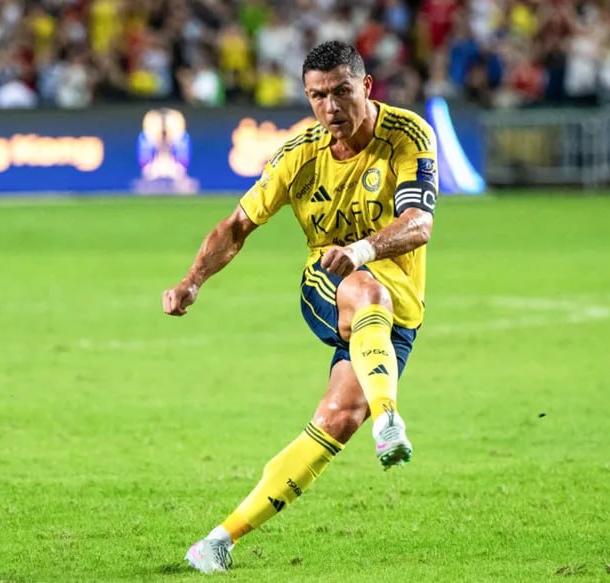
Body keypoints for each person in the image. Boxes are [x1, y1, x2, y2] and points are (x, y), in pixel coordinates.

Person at [162, 41, 437, 574]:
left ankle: (216, 542)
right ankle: (389, 419)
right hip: (327, 283)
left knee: (338, 419)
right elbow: (237, 225)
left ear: (366, 87)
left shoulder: (407, 135)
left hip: (398, 306)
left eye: (341, 92)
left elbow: (420, 223)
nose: (330, 108)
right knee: (365, 290)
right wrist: (193, 280)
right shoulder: (299, 154)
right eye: (317, 96)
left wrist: (362, 249)